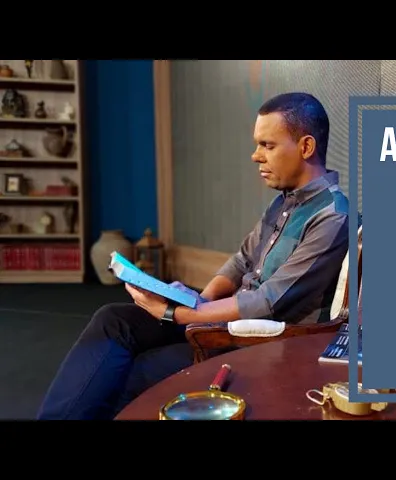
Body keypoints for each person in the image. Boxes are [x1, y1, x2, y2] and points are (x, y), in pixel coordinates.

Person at [37, 92, 351, 420]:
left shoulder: (332, 215)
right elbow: (242, 261)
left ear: (306, 147)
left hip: (256, 340)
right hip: (224, 321)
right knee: (113, 320)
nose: (255, 155)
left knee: (130, 372)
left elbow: (267, 303)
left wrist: (178, 312)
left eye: (267, 145)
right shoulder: (283, 202)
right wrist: (198, 298)